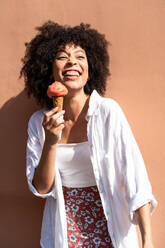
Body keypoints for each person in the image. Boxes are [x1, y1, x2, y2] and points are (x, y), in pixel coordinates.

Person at [20, 21, 157, 248]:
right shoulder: (39, 122)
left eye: (80, 56)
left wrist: (147, 240)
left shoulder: (107, 112)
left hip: (111, 227)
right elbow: (42, 188)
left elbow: (135, 177)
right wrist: (51, 142)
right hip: (65, 231)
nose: (72, 61)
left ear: (90, 67)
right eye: (62, 56)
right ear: (48, 68)